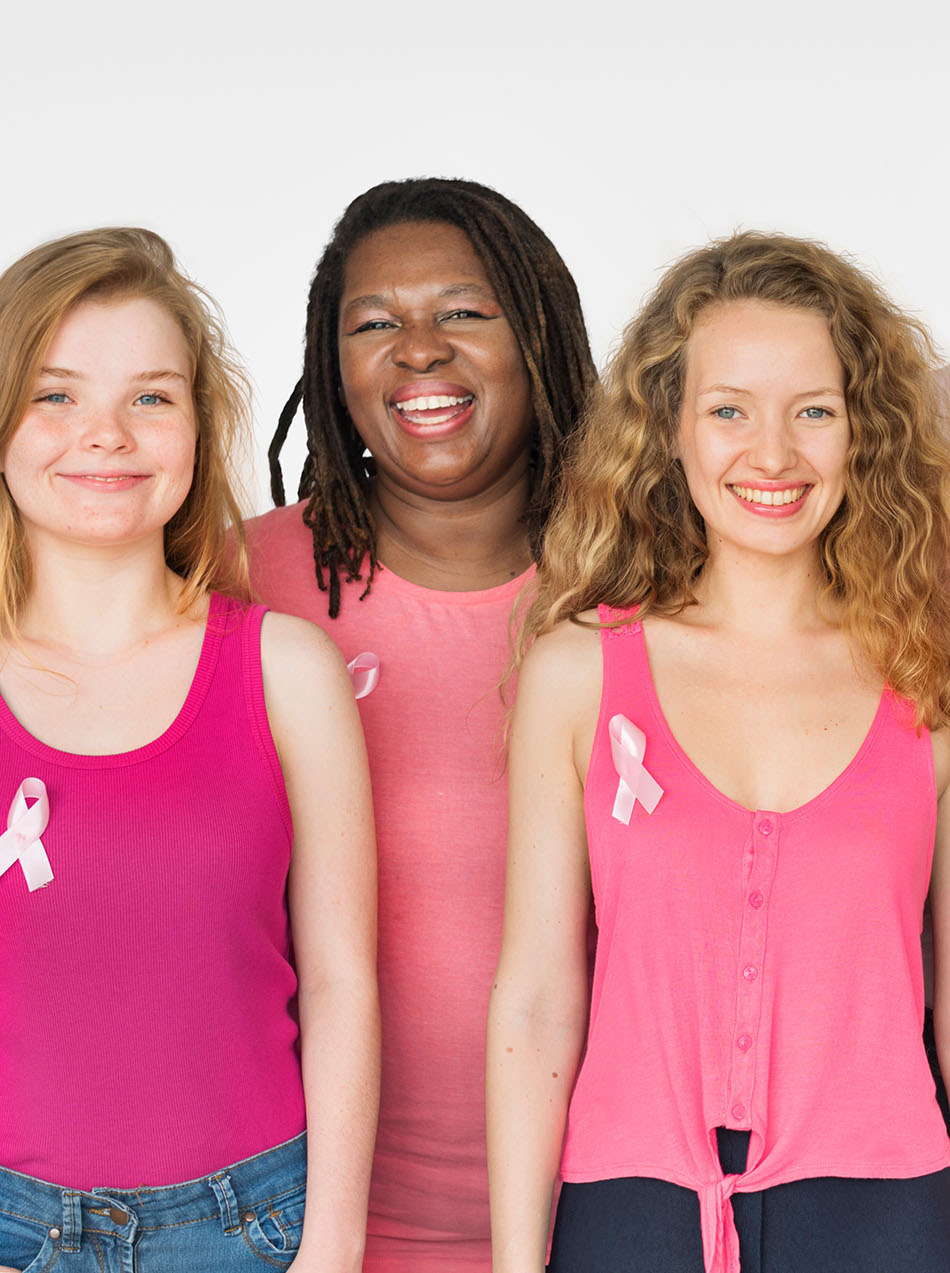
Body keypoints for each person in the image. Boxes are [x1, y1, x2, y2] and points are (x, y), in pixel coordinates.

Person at [488, 232, 950, 1273]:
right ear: (670, 432)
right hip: (628, 1212)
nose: (771, 454)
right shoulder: (578, 675)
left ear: (861, 433)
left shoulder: (940, 679)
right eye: (728, 409)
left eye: (813, 411)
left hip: (886, 1217)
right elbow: (537, 1000)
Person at [0, 229, 377, 1272]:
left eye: (151, 397)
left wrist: (332, 1248)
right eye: (56, 394)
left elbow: (341, 977)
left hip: (254, 1225)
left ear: (199, 428)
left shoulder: (285, 670)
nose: (106, 435)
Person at [249, 176, 596, 1272]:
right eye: (373, 323)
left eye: (462, 311)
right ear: (330, 363)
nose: (417, 350)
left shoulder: (654, 585)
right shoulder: (238, 586)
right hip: (303, 1230)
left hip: (607, 1219)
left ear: (536, 335)